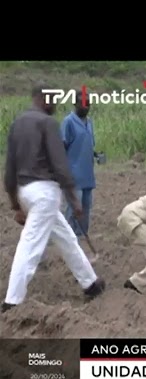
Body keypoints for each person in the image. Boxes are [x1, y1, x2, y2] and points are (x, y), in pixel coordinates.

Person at [1, 85, 106, 313]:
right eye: (54, 99)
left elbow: (9, 169)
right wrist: (73, 199)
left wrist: (16, 204)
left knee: (67, 237)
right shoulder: (48, 123)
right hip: (44, 194)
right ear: (45, 99)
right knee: (30, 245)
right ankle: (12, 301)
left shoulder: (18, 123)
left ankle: (90, 283)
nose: (56, 104)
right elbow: (60, 165)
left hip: (24, 190)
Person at [61, 90, 99, 237]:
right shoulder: (68, 122)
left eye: (88, 104)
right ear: (75, 104)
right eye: (83, 104)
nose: (86, 107)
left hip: (87, 174)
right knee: (72, 209)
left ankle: (81, 237)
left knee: (86, 207)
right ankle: (67, 238)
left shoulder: (89, 123)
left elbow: (87, 145)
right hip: (73, 175)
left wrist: (96, 154)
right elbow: (62, 147)